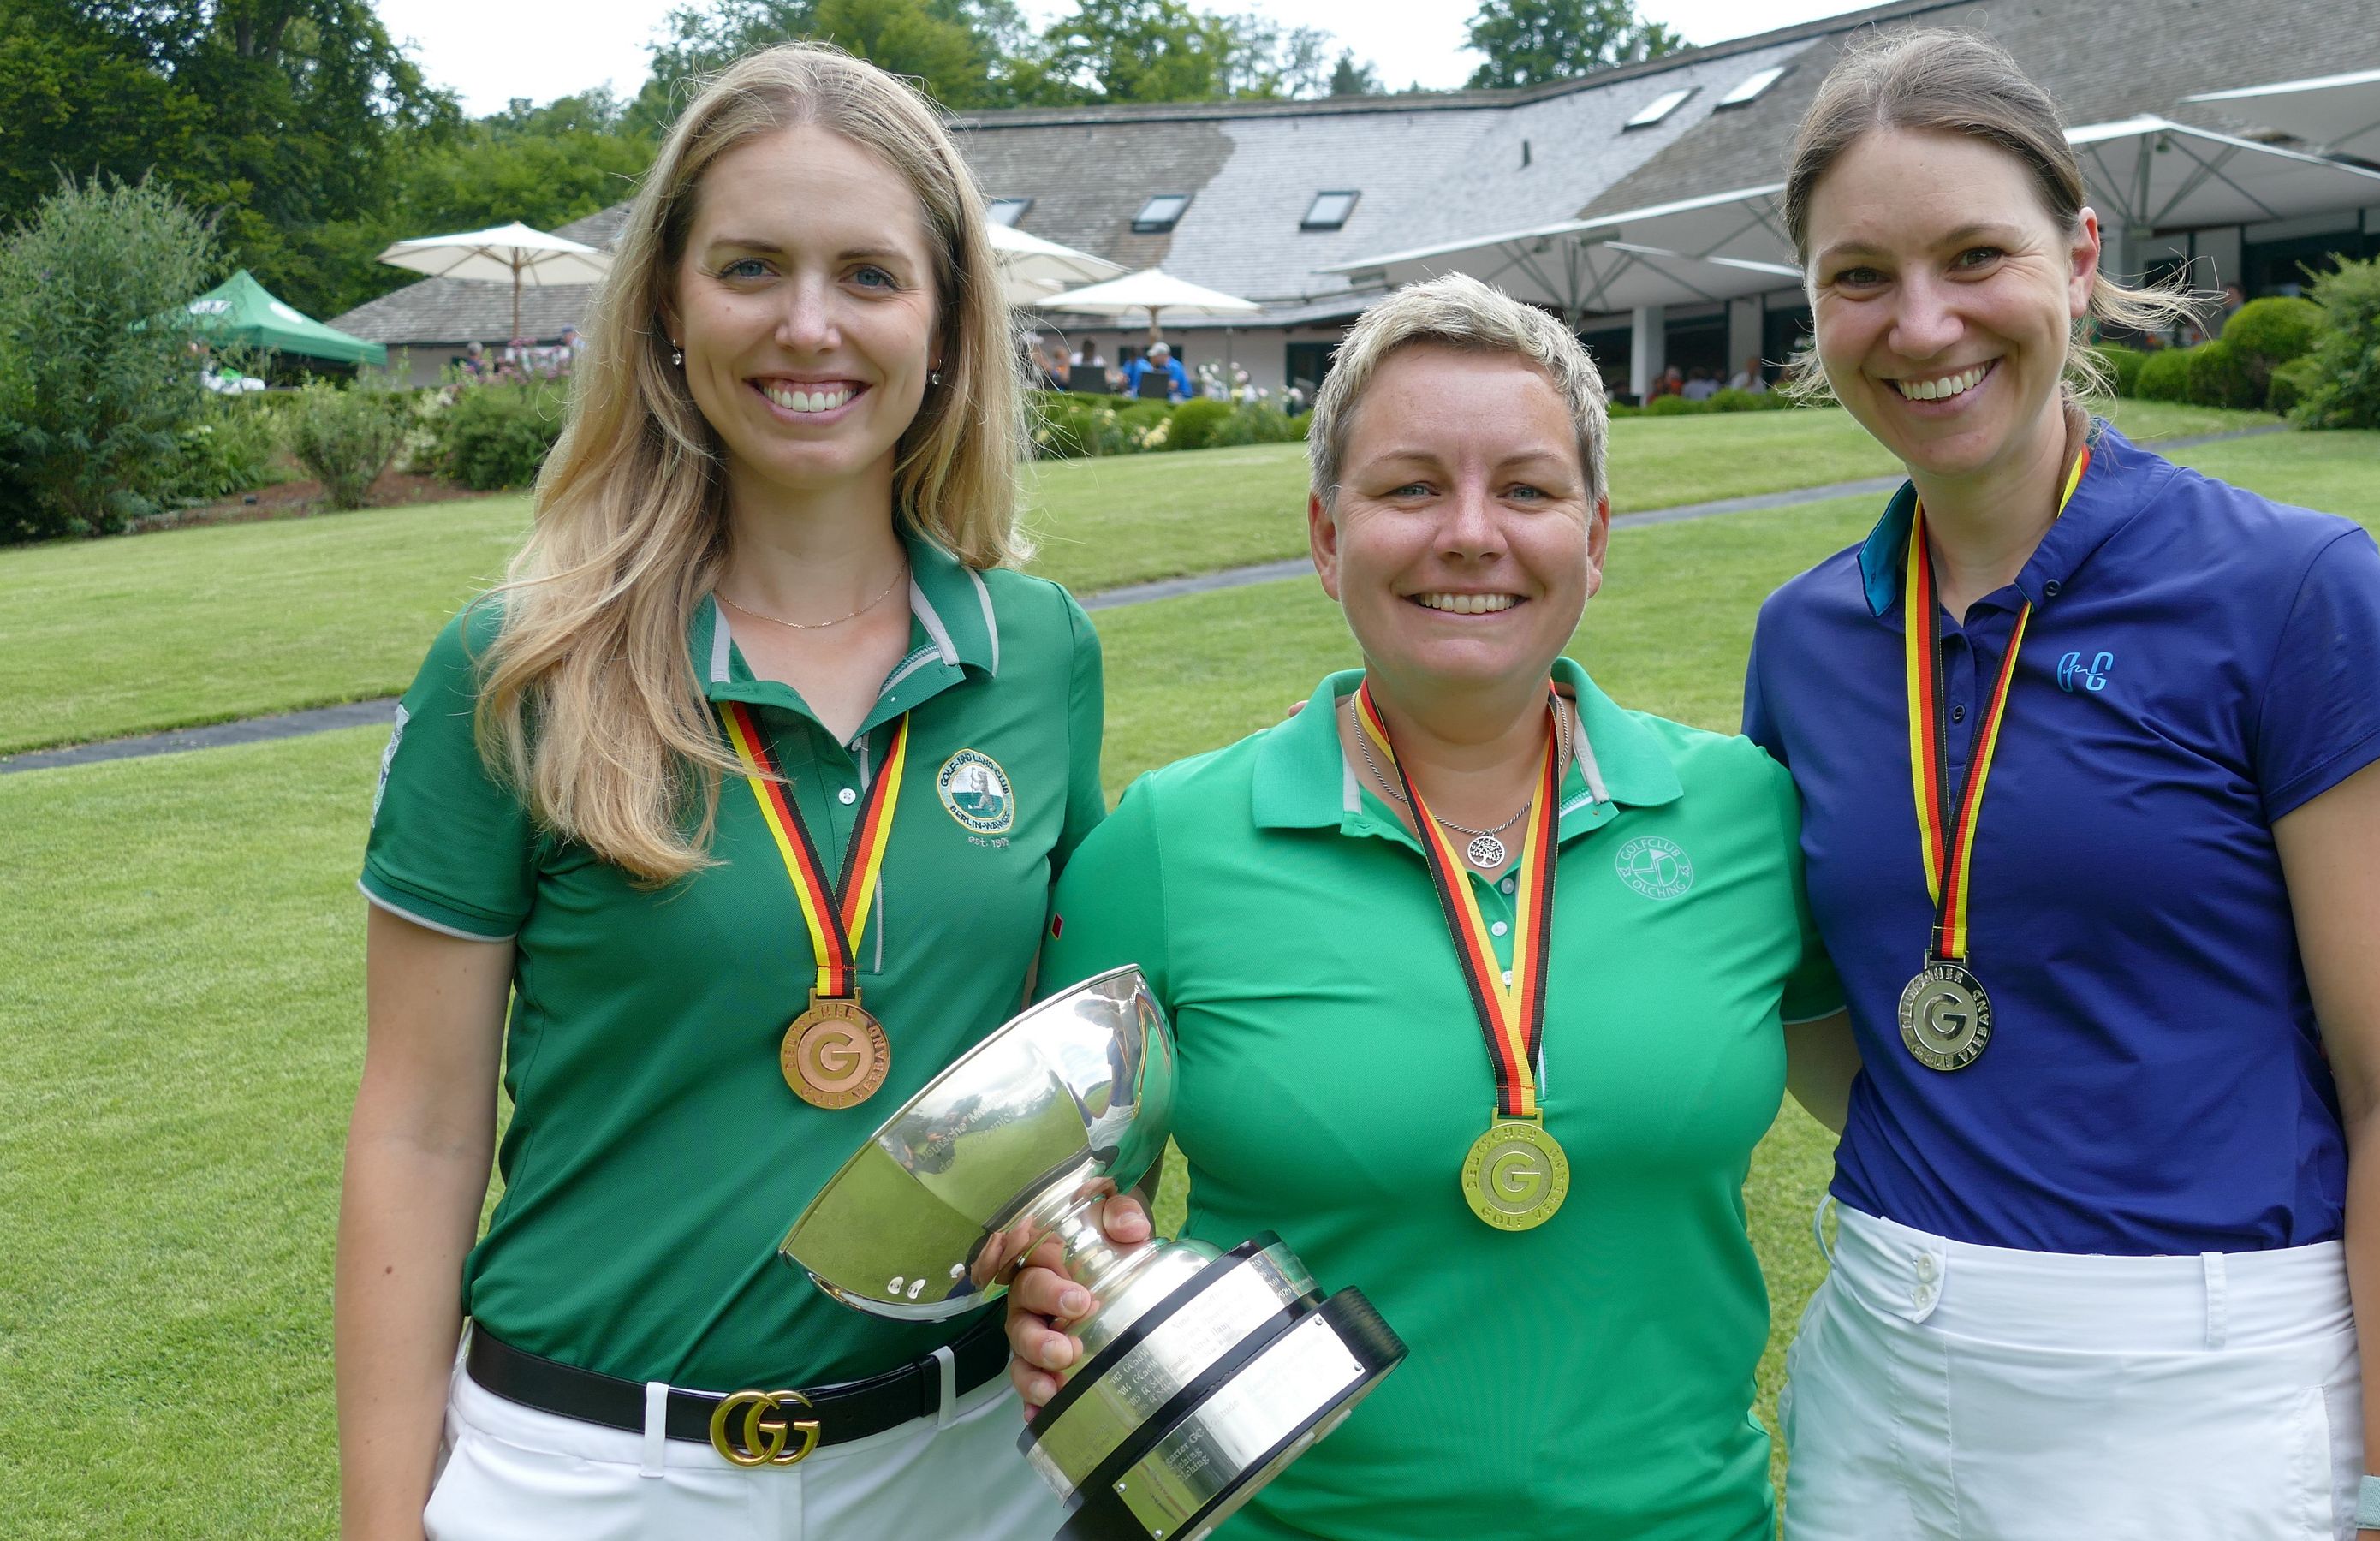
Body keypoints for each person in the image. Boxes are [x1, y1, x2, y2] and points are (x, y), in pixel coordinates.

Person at [336, 43, 1104, 1541]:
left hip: (962, 1474)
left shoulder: (1042, 656)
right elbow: (419, 1130)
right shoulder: (515, 669)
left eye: (869, 276)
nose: (807, 326)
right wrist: (380, 1520)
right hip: (592, 1476)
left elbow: (1051, 1067)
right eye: (751, 267)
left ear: (945, 324)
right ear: (670, 311)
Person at [1747, 32, 2380, 1541]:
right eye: (1860, 276)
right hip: (1885, 1358)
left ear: (2080, 256)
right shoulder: (1810, 635)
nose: (1924, 323)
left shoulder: (2291, 591)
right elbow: (1829, 1010)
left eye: (1975, 256)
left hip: (2198, 1392)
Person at [1003, 273, 1847, 1540]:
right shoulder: (1167, 845)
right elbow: (1068, 1222)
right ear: (1327, 536)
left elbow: (1893, 1108)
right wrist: (1049, 1295)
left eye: (1525, 488)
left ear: (1597, 535)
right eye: (1409, 488)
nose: (1469, 533)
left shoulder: (1741, 815)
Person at [1123, 339, 1191, 399]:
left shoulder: (1175, 366)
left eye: (1155, 356)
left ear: (1162, 355)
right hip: (1170, 396)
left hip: (1182, 397)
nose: (1153, 358)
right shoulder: (1161, 367)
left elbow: (1173, 386)